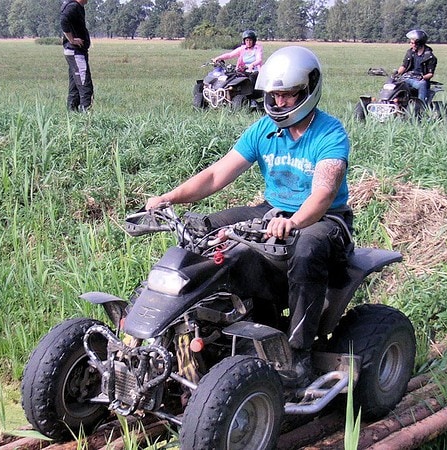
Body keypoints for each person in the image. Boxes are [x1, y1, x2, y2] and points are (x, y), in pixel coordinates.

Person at [145, 46, 352, 388]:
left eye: (288, 95)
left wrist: (294, 223)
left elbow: (323, 194)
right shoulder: (263, 131)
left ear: (309, 89)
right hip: (273, 210)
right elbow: (215, 176)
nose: (280, 103)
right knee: (206, 228)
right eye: (274, 95)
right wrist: (169, 198)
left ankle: (297, 355)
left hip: (325, 219)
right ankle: (209, 326)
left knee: (306, 250)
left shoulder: (329, 133)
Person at [61, 0, 94, 112]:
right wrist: (72, 40)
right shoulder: (73, 6)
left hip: (75, 52)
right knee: (86, 86)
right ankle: (86, 120)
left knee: (75, 88)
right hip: (75, 52)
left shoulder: (76, 6)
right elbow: (64, 20)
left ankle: (72, 117)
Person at [396, 29, 437, 104]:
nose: (410, 44)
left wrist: (423, 77)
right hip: (407, 77)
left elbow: (430, 74)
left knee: (422, 84)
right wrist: (396, 74)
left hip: (419, 80)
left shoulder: (430, 57)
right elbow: (404, 66)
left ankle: (421, 106)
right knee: (392, 84)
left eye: (412, 43)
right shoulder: (410, 52)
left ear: (418, 43)